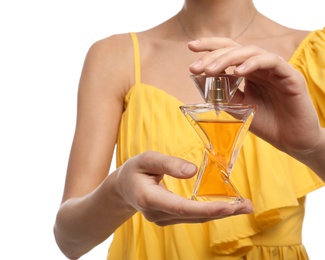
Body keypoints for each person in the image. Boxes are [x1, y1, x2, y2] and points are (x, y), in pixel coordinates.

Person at [54, 0, 325, 259]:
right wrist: (120, 192)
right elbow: (70, 240)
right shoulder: (114, 56)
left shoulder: (317, 54)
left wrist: (312, 147)